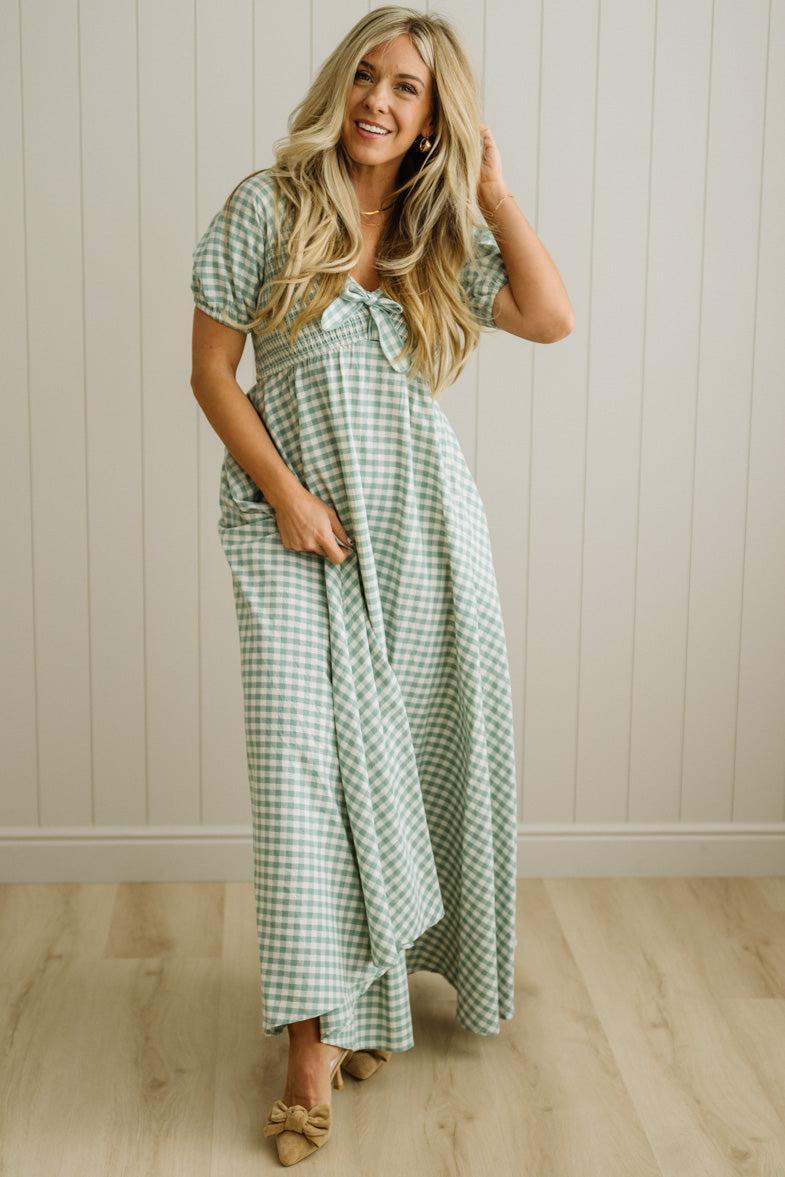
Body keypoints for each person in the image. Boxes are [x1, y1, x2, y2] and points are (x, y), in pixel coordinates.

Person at [190, 6, 574, 1167]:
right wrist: (289, 500)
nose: (376, 99)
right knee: (305, 773)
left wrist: (494, 189)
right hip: (287, 528)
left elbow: (550, 318)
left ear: (430, 118)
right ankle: (309, 1050)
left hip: (422, 532)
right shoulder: (265, 206)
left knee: (407, 756)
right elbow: (211, 375)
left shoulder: (433, 232)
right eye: (365, 75)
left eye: (406, 89)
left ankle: (369, 995)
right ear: (338, 83)